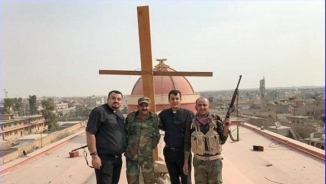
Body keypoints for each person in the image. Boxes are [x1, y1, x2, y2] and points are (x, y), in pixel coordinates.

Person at [183, 97, 231, 184]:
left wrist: (226, 127)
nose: (202, 107)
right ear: (196, 107)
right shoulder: (191, 123)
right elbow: (187, 144)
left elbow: (222, 140)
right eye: (200, 105)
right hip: (199, 162)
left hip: (215, 162)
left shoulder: (216, 121)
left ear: (209, 106)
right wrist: (186, 162)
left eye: (204, 105)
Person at [86, 90, 126, 184]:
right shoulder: (99, 111)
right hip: (104, 159)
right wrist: (94, 156)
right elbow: (90, 133)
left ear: (121, 101)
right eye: (113, 98)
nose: (116, 100)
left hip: (117, 159)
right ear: (107, 99)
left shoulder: (118, 114)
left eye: (119, 99)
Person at [158, 89, 195, 184]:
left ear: (180, 100)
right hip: (169, 152)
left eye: (177, 98)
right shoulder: (163, 114)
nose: (175, 101)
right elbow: (156, 126)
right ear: (169, 100)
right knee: (173, 180)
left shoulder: (189, 114)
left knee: (186, 180)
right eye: (172, 99)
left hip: (183, 153)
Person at [125, 96, 161, 184]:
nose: (144, 108)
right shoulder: (131, 117)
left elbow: (157, 135)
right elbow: (125, 133)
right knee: (132, 181)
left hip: (147, 157)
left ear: (150, 107)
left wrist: (150, 147)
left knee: (149, 181)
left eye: (146, 105)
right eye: (141, 105)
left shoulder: (154, 118)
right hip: (132, 157)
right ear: (138, 106)